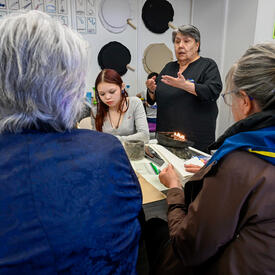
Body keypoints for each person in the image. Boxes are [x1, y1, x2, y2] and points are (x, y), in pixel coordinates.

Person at [0, 11, 143, 274]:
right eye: (101, 93)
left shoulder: (128, 111)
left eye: (111, 91)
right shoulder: (104, 148)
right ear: (70, 84)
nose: (105, 97)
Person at [145, 42, 275, 275]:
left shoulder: (240, 164)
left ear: (245, 102)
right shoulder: (250, 161)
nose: (180, 46)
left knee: (153, 227)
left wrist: (175, 188)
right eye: (177, 41)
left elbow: (189, 247)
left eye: (230, 97)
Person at [146, 25, 222, 152]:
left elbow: (212, 92)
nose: (180, 45)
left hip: (195, 140)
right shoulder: (169, 67)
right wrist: (152, 90)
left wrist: (185, 85)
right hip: (166, 137)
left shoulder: (207, 65)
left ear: (197, 45)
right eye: (177, 41)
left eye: (186, 41)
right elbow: (154, 99)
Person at [92, 69, 150, 143]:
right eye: (102, 94)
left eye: (112, 92)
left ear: (122, 87)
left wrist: (113, 140)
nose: (107, 97)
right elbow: (96, 140)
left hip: (132, 152)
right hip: (107, 153)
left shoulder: (134, 103)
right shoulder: (96, 110)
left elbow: (144, 136)